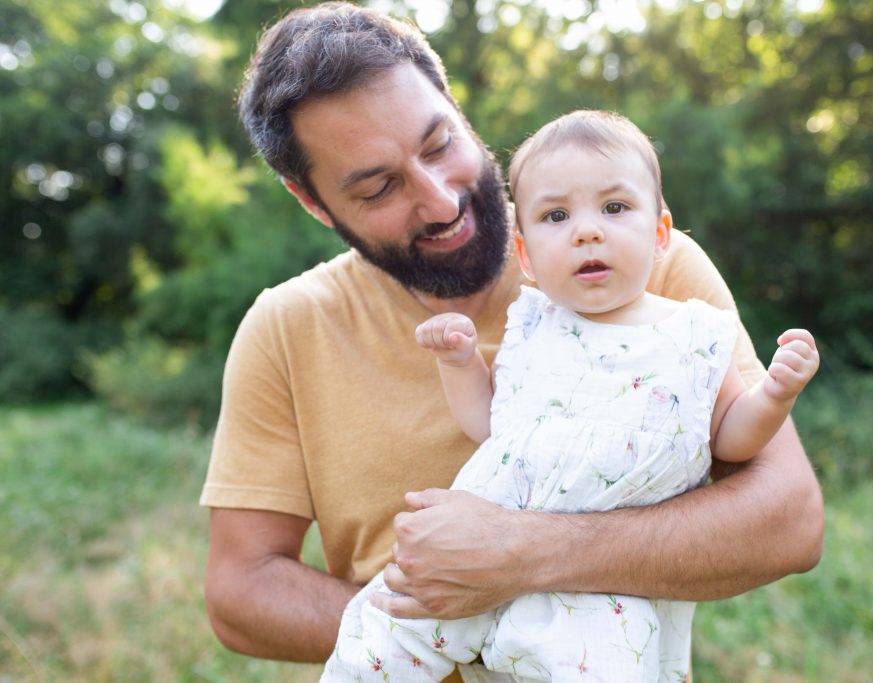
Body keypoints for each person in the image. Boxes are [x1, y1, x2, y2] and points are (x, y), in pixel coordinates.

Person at [200, 3, 824, 682]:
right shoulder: (286, 327)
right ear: (313, 202)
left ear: (459, 110)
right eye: (379, 186)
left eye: (439, 144)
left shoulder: (646, 274)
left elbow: (788, 520)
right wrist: (431, 622)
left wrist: (521, 558)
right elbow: (240, 591)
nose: (440, 201)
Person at [320, 110, 820, 682]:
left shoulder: (696, 334)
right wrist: (459, 363)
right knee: (383, 641)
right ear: (527, 256)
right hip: (473, 545)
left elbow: (729, 433)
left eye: (614, 208)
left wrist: (774, 394)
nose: (587, 230)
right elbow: (490, 426)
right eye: (556, 215)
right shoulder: (533, 326)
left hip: (605, 591)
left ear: (660, 234)